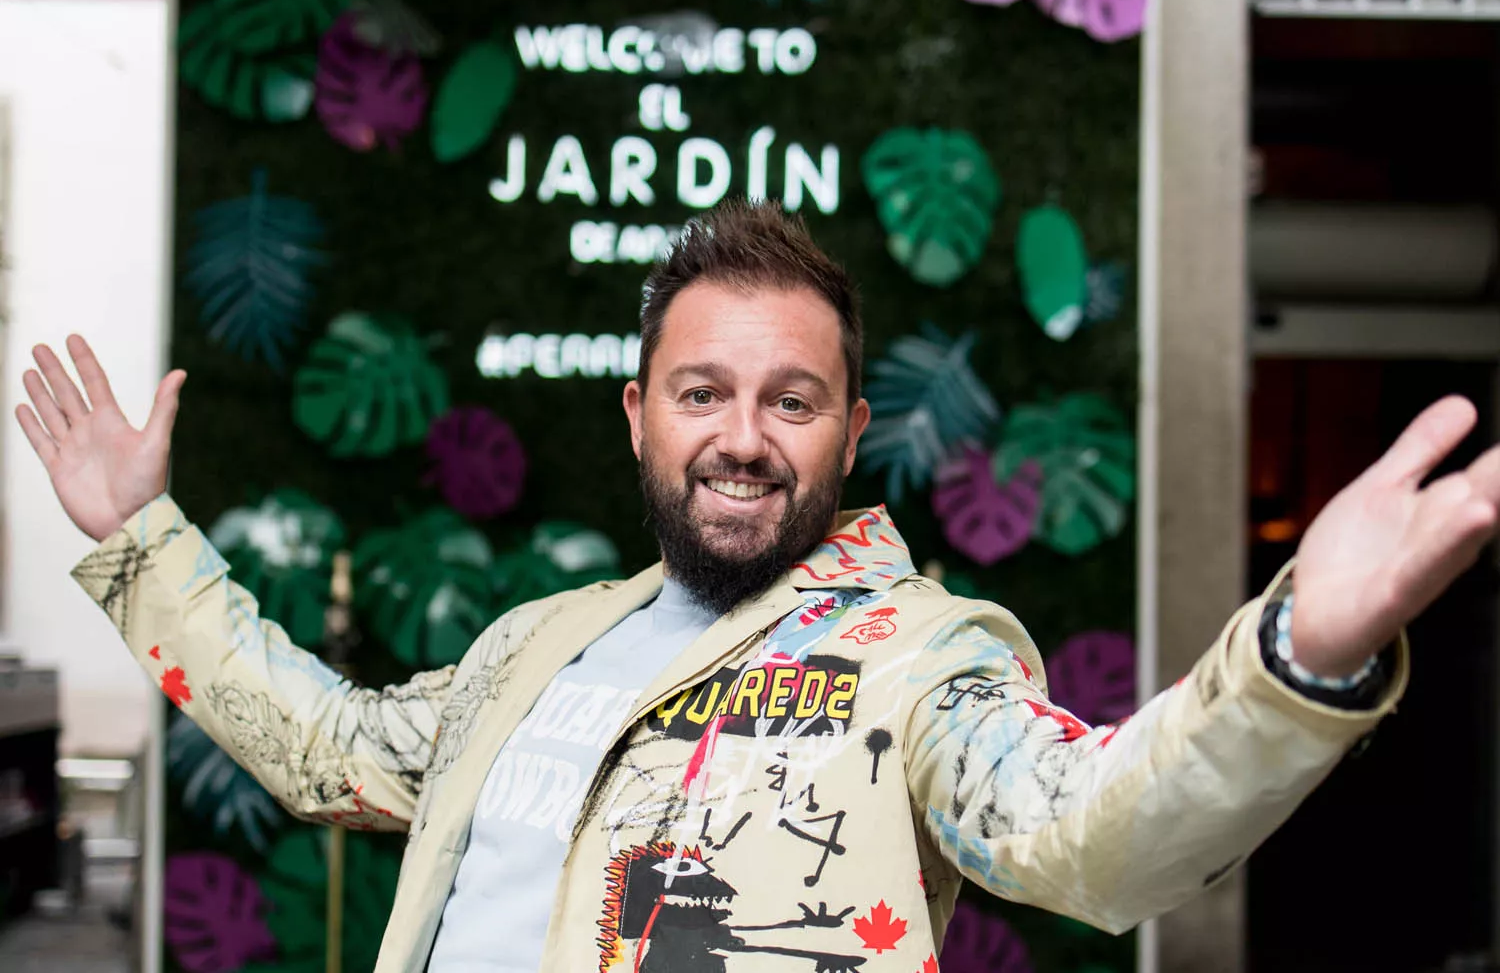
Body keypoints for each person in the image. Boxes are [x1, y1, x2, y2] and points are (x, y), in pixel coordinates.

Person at [17, 200, 1497, 973]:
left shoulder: (922, 656)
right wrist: (141, 540)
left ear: (854, 434)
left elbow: (1094, 838)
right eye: (703, 392)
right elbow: (332, 748)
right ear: (640, 417)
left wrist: (1299, 658)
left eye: (793, 401)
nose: (741, 436)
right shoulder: (542, 644)